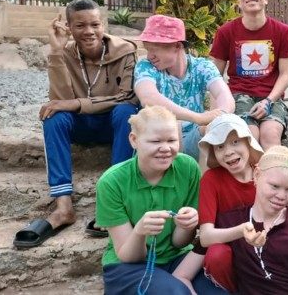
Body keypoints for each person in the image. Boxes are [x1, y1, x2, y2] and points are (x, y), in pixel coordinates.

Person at [13, 0, 139, 249]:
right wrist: (56, 52)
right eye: (80, 26)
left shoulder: (125, 51)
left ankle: (113, 201)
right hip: (81, 126)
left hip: (113, 125)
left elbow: (127, 96)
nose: (89, 31)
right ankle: (63, 207)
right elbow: (59, 100)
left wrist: (76, 104)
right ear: (69, 27)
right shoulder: (66, 52)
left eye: (95, 24)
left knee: (127, 111)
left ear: (103, 24)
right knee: (53, 116)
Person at [95, 105, 226, 295]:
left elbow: (179, 244)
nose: (165, 148)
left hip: (177, 258)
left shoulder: (187, 168)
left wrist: (187, 225)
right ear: (134, 140)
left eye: (172, 140)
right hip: (128, 267)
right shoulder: (112, 182)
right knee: (176, 292)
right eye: (155, 141)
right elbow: (128, 255)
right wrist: (140, 231)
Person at [215, 145, 288, 294]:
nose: (282, 196)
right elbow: (186, 271)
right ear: (256, 175)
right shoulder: (231, 221)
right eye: (275, 186)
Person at [172, 113, 264, 292]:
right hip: (226, 246)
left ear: (248, 141)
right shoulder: (211, 180)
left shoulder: (265, 175)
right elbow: (205, 237)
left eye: (235, 142)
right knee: (216, 255)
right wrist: (242, 231)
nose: (228, 151)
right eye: (220, 146)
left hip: (263, 245)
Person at [210, 0, 288, 150]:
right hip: (238, 95)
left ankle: (272, 176)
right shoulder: (225, 32)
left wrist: (268, 101)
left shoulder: (283, 31)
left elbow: (285, 74)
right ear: (239, 2)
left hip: (271, 97)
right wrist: (215, 113)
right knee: (249, 135)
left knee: (270, 136)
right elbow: (215, 77)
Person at [134, 14, 234, 158]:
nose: (150, 56)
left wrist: (221, 115)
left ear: (177, 45)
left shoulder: (202, 66)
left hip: (194, 137)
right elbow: (148, 97)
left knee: (215, 129)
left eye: (155, 49)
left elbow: (223, 94)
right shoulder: (146, 66)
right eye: (147, 49)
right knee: (177, 127)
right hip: (159, 140)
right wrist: (198, 117)